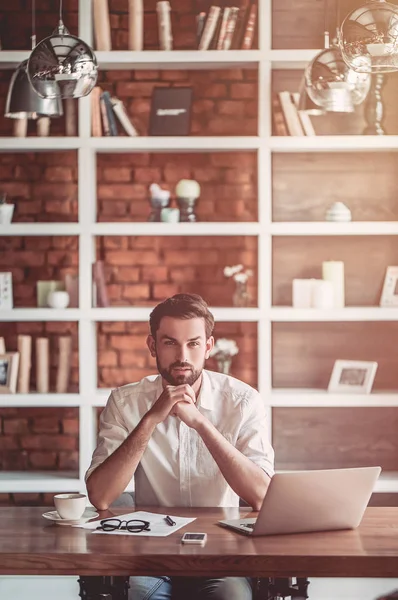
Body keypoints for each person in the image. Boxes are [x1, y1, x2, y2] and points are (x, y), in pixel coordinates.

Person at [86, 293, 274, 600]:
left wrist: (200, 423)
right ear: (153, 346)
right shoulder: (124, 402)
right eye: (170, 342)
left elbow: (262, 495)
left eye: (194, 343)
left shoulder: (243, 401)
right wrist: (150, 420)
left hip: (223, 556)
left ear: (209, 347)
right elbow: (100, 495)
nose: (182, 355)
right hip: (150, 556)